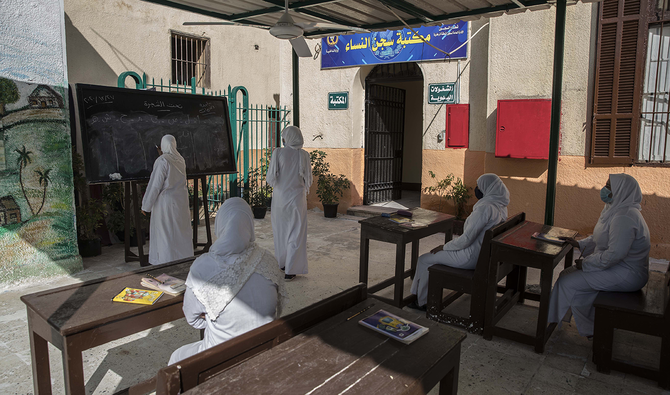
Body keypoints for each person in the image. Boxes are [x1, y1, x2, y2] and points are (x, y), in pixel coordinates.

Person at [169, 198, 286, 365]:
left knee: (176, 357)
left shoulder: (203, 267)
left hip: (219, 360)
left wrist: (219, 319)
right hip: (264, 355)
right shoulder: (269, 261)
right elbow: (276, 307)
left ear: (220, 225)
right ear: (249, 225)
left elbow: (192, 319)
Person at [548, 174, 650, 338]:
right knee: (567, 274)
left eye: (609, 186)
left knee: (567, 281)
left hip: (628, 274)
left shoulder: (625, 217)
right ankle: (585, 325)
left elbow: (615, 253)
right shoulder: (615, 209)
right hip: (618, 267)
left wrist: (587, 264)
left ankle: (556, 323)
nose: (605, 189)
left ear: (621, 191)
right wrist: (578, 243)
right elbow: (601, 238)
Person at [409, 173, 510, 310]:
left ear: (487, 188)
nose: (476, 189)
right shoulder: (500, 206)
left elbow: (466, 239)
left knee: (424, 259)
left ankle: (421, 301)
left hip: (469, 256)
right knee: (429, 260)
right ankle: (419, 294)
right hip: (482, 254)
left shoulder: (485, 208)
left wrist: (444, 247)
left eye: (479, 186)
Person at [266, 126, 313, 280]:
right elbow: (308, 180)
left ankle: (283, 263)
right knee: (296, 233)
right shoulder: (304, 155)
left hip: (280, 200)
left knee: (281, 232)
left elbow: (271, 178)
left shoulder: (278, 152)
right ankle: (291, 269)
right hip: (297, 200)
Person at [141, 134, 193, 265]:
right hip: (180, 202)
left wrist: (145, 206)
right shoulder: (180, 159)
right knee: (180, 232)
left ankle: (166, 261)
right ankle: (183, 259)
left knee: (166, 233)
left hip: (165, 204)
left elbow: (155, 185)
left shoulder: (162, 160)